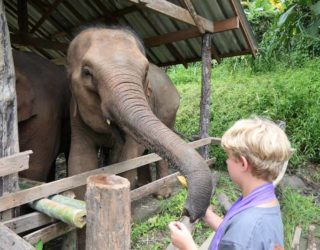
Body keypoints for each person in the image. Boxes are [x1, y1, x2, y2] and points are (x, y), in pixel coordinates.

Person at [169, 117, 293, 250]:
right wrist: (207, 214)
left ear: (243, 164)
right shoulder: (264, 203)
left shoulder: (249, 229)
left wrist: (188, 246)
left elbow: (241, 238)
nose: (227, 162)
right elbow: (234, 235)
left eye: (229, 157)